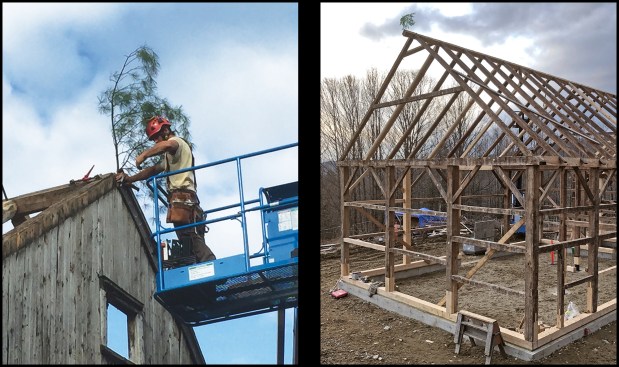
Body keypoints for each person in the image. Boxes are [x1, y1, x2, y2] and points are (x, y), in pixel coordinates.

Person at [115, 116, 216, 263]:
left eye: (157, 137)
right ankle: (204, 270)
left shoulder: (178, 143)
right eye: (153, 138)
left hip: (183, 200)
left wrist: (143, 155)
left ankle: (210, 262)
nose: (156, 141)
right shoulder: (171, 157)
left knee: (189, 236)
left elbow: (167, 145)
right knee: (189, 240)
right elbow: (154, 170)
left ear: (166, 130)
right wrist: (130, 179)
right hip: (187, 202)